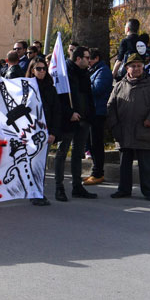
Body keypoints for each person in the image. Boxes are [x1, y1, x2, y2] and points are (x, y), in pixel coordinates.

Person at [106, 53, 150, 201]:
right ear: (127, 68)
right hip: (123, 131)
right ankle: (124, 189)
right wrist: (114, 125)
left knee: (146, 165)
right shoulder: (119, 85)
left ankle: (149, 191)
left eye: (139, 66)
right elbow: (110, 106)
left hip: (144, 131)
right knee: (124, 164)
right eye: (133, 66)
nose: (137, 68)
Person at [54, 46, 97, 201]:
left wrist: (90, 115)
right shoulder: (64, 74)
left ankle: (77, 186)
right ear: (78, 58)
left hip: (84, 119)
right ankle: (59, 188)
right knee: (62, 153)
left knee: (78, 154)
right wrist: (70, 113)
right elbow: (59, 99)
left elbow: (87, 96)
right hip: (68, 120)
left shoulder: (85, 73)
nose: (89, 60)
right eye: (87, 57)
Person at [26, 57, 61, 205]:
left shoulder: (50, 88)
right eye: (38, 69)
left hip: (44, 131)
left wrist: (53, 132)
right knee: (29, 163)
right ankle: (31, 191)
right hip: (28, 131)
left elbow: (56, 111)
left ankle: (37, 192)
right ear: (32, 70)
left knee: (40, 164)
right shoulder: (25, 87)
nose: (41, 72)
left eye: (44, 69)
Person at [82, 48, 112, 185]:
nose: (88, 62)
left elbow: (97, 89)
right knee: (91, 144)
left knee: (97, 144)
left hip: (98, 112)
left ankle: (98, 172)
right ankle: (95, 171)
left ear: (96, 58)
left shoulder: (103, 71)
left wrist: (83, 84)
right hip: (91, 112)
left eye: (90, 59)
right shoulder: (93, 71)